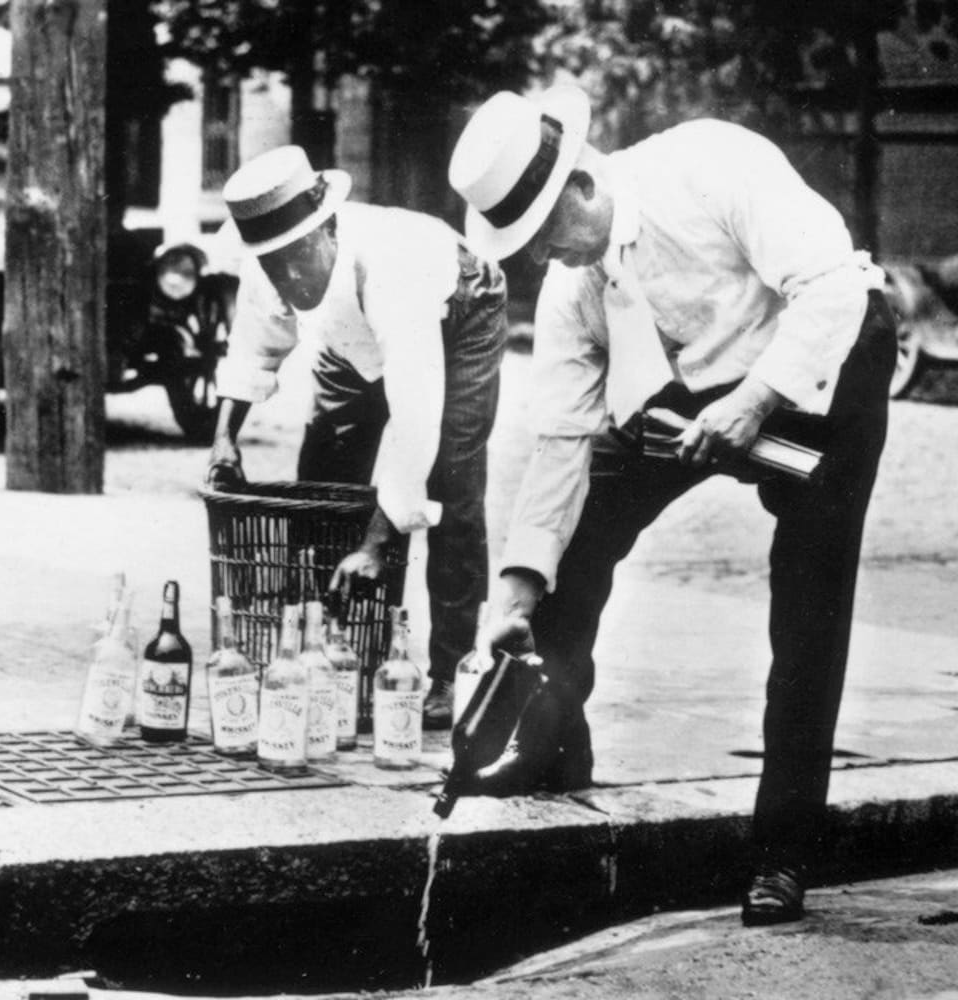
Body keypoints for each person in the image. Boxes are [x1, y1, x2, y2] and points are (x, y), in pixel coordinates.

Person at [447, 86, 896, 926]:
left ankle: (782, 851)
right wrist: (513, 594)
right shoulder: (571, 284)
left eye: (547, 233)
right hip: (691, 394)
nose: (548, 256)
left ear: (582, 183)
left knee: (807, 604)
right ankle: (550, 748)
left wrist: (759, 399)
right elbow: (560, 440)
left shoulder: (710, 164)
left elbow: (833, 287)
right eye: (528, 245)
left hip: (828, 361)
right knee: (575, 547)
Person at [206, 146, 508, 729]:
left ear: (328, 230)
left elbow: (415, 414)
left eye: (296, 257)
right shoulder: (269, 263)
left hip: (458, 311)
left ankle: (449, 672)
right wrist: (225, 438)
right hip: (350, 344)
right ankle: (323, 649)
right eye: (272, 264)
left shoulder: (391, 268)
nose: (289, 277)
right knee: (324, 471)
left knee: (450, 484)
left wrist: (376, 542)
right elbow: (252, 349)